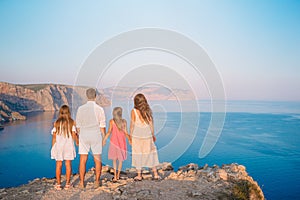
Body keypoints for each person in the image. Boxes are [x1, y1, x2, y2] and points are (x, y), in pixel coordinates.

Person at [76, 88, 106, 189]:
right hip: (96, 135)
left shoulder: (80, 109)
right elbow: (102, 126)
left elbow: (78, 126)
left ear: (86, 96)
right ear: (95, 96)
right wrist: (104, 138)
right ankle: (97, 181)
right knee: (97, 159)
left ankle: (81, 183)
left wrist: (80, 136)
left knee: (82, 160)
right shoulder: (100, 109)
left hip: (84, 135)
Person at [130, 93, 160, 181]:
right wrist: (153, 134)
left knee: (138, 153)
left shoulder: (134, 111)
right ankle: (155, 174)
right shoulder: (148, 110)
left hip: (137, 135)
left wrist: (130, 136)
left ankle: (139, 175)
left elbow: (132, 125)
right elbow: (151, 124)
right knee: (151, 153)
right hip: (147, 135)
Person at [51, 105, 78, 190]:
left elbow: (54, 137)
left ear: (60, 112)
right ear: (68, 112)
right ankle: (67, 184)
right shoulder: (72, 122)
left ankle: (58, 184)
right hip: (68, 146)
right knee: (68, 165)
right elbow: (74, 135)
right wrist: (77, 142)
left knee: (58, 165)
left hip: (59, 147)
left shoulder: (56, 123)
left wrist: (53, 147)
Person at [103, 107, 131, 182]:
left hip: (114, 142)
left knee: (114, 160)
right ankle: (118, 175)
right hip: (122, 142)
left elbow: (109, 132)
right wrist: (129, 139)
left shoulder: (111, 121)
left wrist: (104, 140)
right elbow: (126, 132)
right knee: (120, 160)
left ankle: (115, 176)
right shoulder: (124, 121)